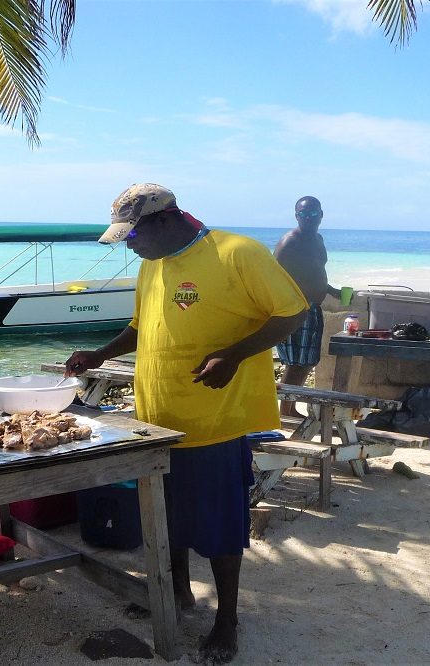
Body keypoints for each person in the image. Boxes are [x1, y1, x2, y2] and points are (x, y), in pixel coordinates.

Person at [64, 184, 307, 664]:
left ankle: (227, 620)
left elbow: (292, 311)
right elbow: (141, 326)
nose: (127, 244)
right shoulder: (153, 265)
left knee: (219, 527)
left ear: (163, 220)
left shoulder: (237, 252)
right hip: (156, 418)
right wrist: (98, 354)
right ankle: (178, 593)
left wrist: (233, 356)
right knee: (165, 519)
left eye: (131, 234)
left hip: (214, 420)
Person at [273, 196, 340, 417]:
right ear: (296, 216)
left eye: (312, 214)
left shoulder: (318, 240)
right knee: (294, 363)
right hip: (295, 309)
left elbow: (314, 273)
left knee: (307, 362)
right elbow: (271, 277)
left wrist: (331, 291)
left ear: (321, 215)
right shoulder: (290, 242)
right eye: (303, 214)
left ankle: (291, 407)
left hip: (312, 309)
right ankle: (285, 411)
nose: (308, 218)